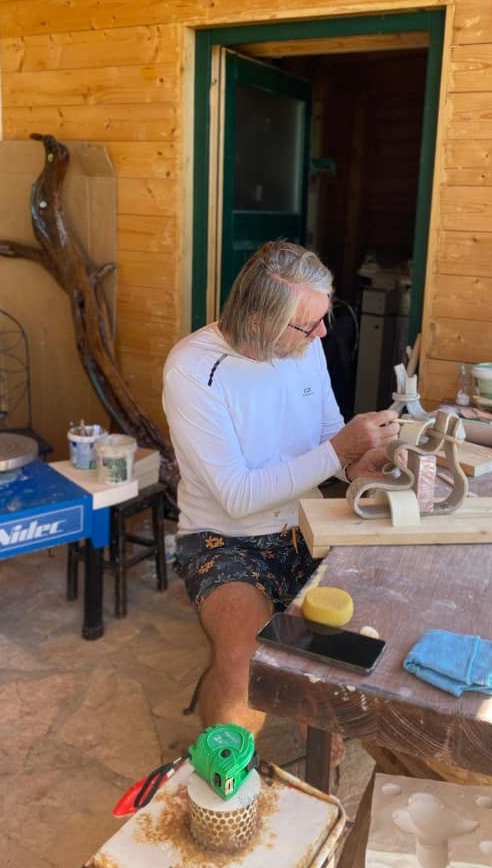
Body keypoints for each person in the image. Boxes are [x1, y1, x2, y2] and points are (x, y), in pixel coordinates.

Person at [162, 240, 400, 734]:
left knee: (368, 632)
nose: (323, 332)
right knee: (242, 658)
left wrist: (358, 463)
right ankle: (223, 781)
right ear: (258, 320)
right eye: (308, 323)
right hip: (223, 537)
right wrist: (338, 452)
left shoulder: (304, 345)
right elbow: (238, 495)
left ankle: (322, 735)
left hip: (304, 523)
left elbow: (324, 432)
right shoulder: (192, 370)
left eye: (324, 316)